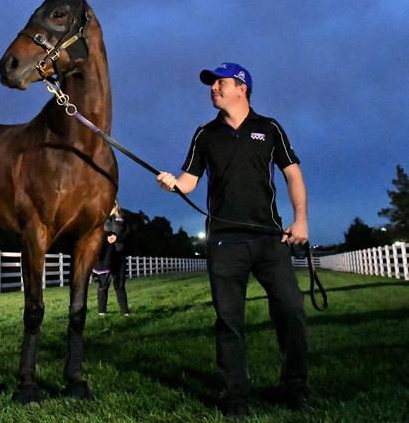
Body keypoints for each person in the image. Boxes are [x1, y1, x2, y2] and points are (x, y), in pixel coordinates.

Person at [157, 63, 309, 417]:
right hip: (224, 243)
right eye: (212, 84)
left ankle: (295, 388)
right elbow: (189, 180)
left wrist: (300, 219)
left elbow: (293, 175)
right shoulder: (204, 134)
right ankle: (235, 396)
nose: (213, 88)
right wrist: (172, 184)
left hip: (271, 239)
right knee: (229, 321)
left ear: (242, 88)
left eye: (220, 83)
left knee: (292, 310)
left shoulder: (269, 128)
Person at [93, 201, 129, 316]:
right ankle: (102, 312)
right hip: (105, 256)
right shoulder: (100, 215)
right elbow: (94, 234)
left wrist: (118, 236)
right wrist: (106, 238)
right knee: (103, 285)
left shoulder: (122, 215)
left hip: (119, 254)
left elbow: (128, 232)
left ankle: (125, 312)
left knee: (120, 285)